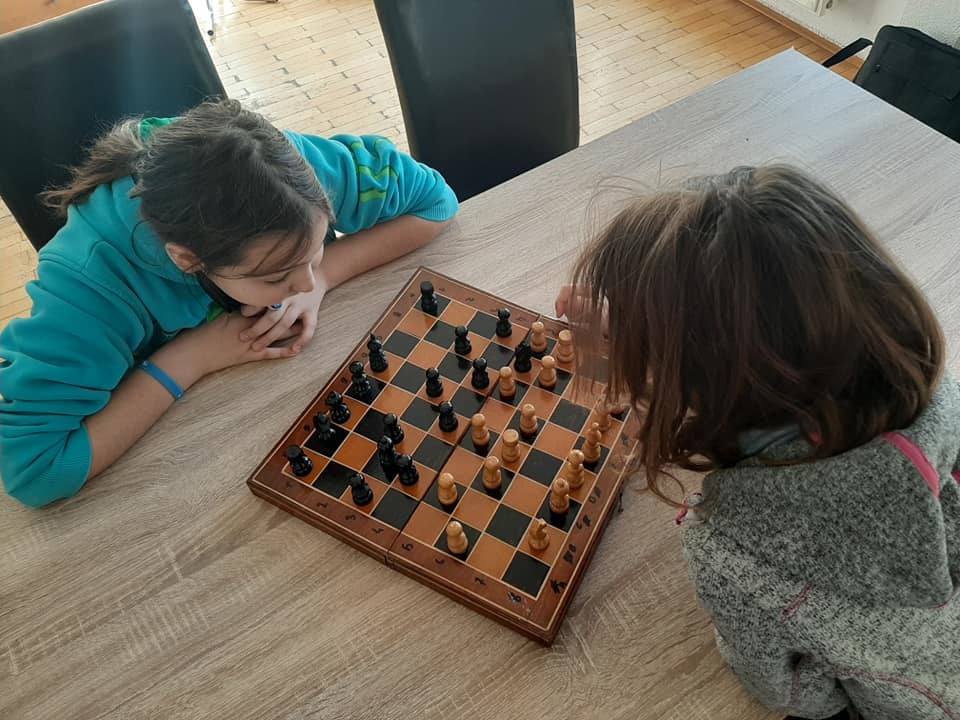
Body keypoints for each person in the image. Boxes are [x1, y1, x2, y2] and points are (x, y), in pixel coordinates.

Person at [556, 165, 959, 720]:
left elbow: (793, 694)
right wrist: (649, 328)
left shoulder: (731, 552)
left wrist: (652, 355)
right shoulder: (933, 391)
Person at [0, 99, 458, 508]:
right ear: (188, 259)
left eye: (316, 246)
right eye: (276, 276)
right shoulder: (89, 289)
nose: (300, 282)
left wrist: (325, 275)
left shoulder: (285, 176)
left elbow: (436, 201)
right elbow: (35, 470)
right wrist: (193, 358)